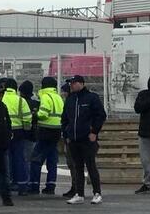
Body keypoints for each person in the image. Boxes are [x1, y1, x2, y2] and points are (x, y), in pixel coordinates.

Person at [61, 74, 106, 204]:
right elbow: (65, 119)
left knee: (91, 165)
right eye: (71, 83)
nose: (72, 85)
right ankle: (79, 194)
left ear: (82, 83)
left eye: (74, 83)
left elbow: (100, 115)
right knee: (77, 167)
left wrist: (94, 132)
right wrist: (66, 135)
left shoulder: (91, 98)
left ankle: (97, 193)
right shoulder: (70, 100)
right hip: (73, 139)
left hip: (87, 139)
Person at [29, 76, 64, 194]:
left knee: (36, 159)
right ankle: (50, 185)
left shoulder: (45, 96)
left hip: (45, 130)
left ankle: (34, 186)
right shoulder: (58, 97)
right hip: (57, 131)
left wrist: (35, 114)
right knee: (52, 160)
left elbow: (44, 114)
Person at [2, 77, 34, 195]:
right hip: (18, 133)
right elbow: (27, 118)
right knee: (20, 159)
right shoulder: (21, 100)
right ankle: (22, 186)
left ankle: (6, 184)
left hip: (4, 133)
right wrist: (26, 130)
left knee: (5, 159)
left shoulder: (1, 99)